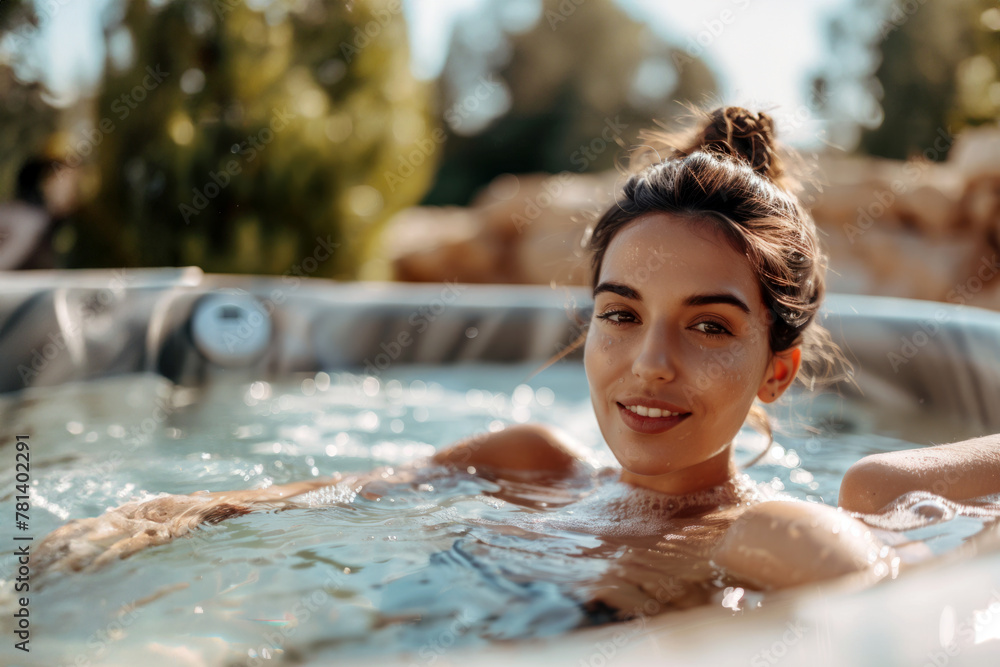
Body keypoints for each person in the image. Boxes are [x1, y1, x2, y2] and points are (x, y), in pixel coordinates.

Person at [32, 106, 1000, 609]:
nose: (647, 364)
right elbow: (309, 500)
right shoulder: (522, 463)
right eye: (620, 314)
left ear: (777, 370)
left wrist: (878, 502)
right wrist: (172, 511)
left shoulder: (771, 536)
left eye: (708, 326)